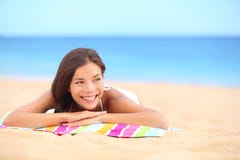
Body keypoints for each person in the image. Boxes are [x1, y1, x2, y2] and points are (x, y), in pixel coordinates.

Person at [2, 48, 169, 129]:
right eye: (80, 82)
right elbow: (11, 119)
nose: (90, 89)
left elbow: (160, 121)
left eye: (97, 79)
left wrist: (100, 119)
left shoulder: (112, 98)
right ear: (67, 85)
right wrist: (68, 117)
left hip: (127, 98)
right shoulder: (57, 94)